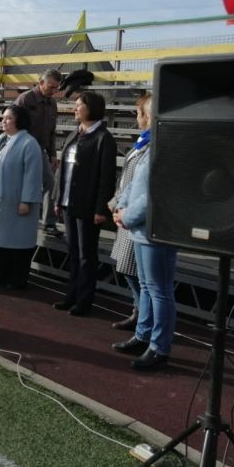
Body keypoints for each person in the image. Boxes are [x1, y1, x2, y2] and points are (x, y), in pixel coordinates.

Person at [111, 114, 177, 370]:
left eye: (142, 113)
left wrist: (127, 215)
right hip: (140, 228)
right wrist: (120, 207)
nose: (139, 118)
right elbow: (134, 185)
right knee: (147, 287)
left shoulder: (165, 149)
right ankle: (143, 335)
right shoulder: (149, 146)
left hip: (155, 229)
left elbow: (154, 194)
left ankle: (159, 347)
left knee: (159, 290)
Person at [52, 91, 117, 315]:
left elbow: (107, 177)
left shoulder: (103, 138)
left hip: (88, 207)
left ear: (91, 108)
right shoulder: (75, 133)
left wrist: (101, 209)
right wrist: (58, 198)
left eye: (79, 105)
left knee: (86, 255)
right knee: (73, 252)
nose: (75, 108)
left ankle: (84, 300)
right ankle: (71, 296)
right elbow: (63, 170)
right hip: (69, 203)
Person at [0, 105, 43, 289]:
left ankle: (18, 279)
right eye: (3, 118)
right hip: (1, 202)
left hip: (18, 202)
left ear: (19, 121)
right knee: (1, 242)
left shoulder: (29, 143)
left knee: (19, 242)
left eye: (8, 118)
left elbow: (33, 175)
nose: (3, 121)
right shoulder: (1, 141)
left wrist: (26, 201)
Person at [108, 93, 152, 331]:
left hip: (134, 215)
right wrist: (117, 201)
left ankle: (142, 315)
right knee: (128, 268)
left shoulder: (151, 146)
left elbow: (140, 185)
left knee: (132, 270)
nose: (136, 118)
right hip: (125, 211)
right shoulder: (141, 143)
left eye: (138, 113)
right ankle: (139, 311)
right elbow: (129, 179)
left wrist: (122, 206)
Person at [14, 69, 61, 237]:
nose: (54, 91)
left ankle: (48, 223)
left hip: (40, 150)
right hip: (23, 149)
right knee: (22, 184)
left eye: (56, 88)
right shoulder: (25, 99)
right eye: (51, 87)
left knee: (50, 182)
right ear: (41, 82)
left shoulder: (52, 103)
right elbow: (12, 124)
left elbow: (52, 131)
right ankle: (18, 217)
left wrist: (53, 154)